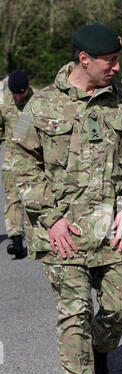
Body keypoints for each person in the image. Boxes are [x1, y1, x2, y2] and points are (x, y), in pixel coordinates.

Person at [10, 24, 122, 374]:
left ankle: (99, 350)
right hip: (63, 235)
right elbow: (18, 161)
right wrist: (50, 218)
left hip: (111, 230)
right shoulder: (38, 106)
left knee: (120, 307)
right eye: (110, 60)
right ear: (84, 60)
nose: (117, 66)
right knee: (74, 313)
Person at [0, 70, 34, 258]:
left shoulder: (40, 101)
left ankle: (38, 236)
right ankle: (16, 239)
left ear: (28, 87)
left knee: (36, 200)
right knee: (13, 198)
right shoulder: (4, 103)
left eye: (21, 93)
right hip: (11, 160)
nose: (18, 97)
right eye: (15, 93)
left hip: (35, 159)